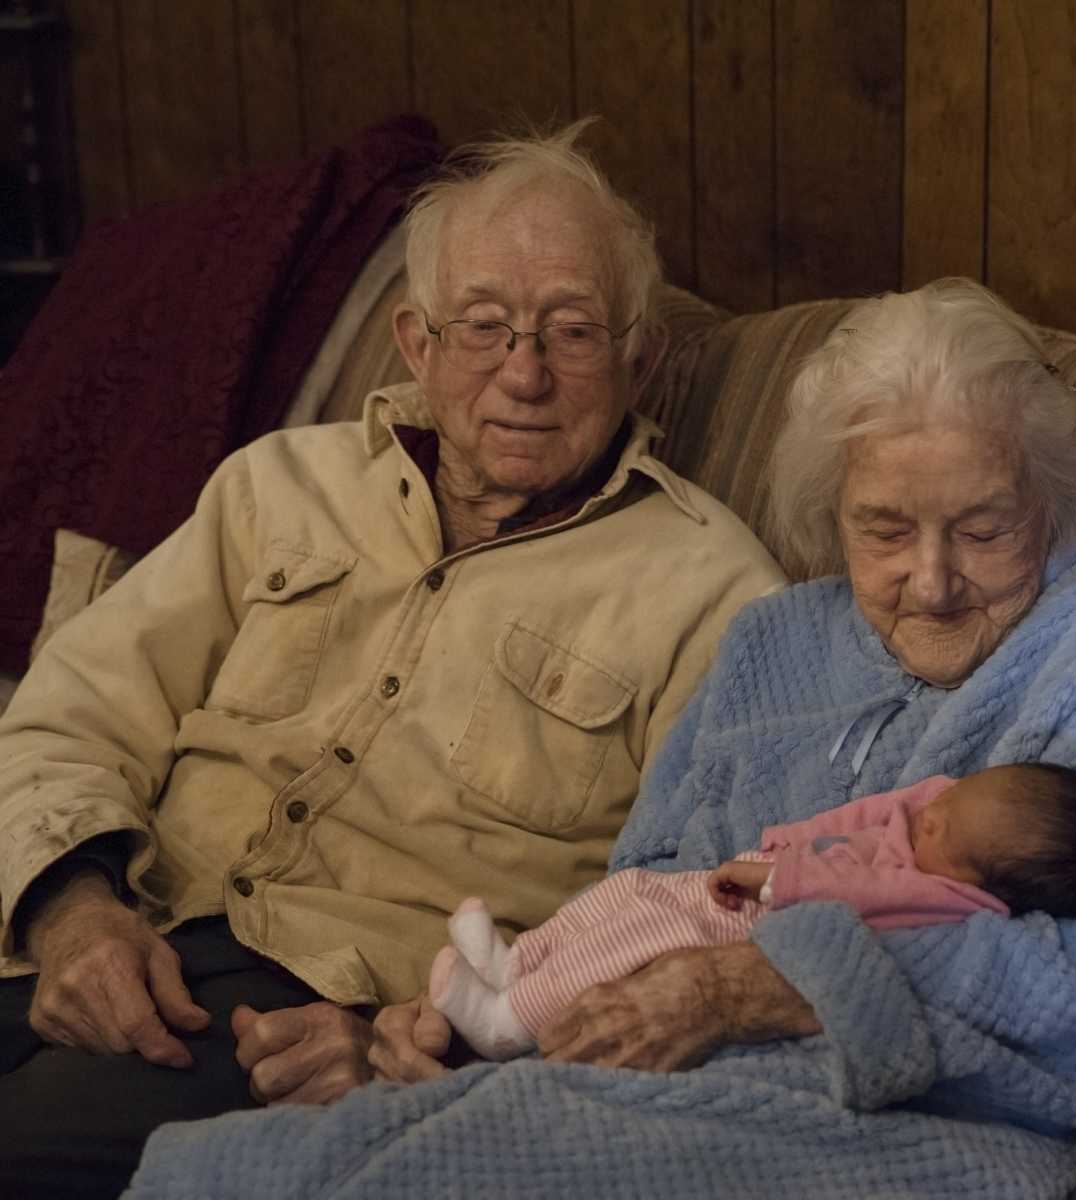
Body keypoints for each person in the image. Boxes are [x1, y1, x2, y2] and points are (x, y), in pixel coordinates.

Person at [126, 277, 1076, 1200]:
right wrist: (508, 1011)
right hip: (653, 1081)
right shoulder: (778, 641)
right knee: (256, 1163)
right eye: (881, 529)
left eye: (982, 527)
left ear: (1050, 497)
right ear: (829, 513)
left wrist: (755, 989)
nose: (930, 580)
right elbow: (644, 888)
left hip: (918, 1133)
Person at [0, 119, 783, 1197]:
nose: (524, 373)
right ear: (416, 343)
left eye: (571, 331)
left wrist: (416, 1046)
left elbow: (705, 908)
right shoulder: (277, 485)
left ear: (639, 359)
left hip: (301, 1027)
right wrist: (71, 912)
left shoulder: (715, 595)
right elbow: (71, 709)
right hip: (103, 920)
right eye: (484, 327)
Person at [432, 763, 1076, 1059]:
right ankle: (516, 960)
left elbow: (854, 894)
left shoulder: (947, 898)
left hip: (756, 927)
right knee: (630, 889)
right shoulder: (951, 815)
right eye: (945, 804)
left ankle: (510, 1021)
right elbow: (895, 807)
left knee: (641, 946)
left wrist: (775, 876)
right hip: (732, 886)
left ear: (984, 886)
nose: (928, 814)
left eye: (939, 831)